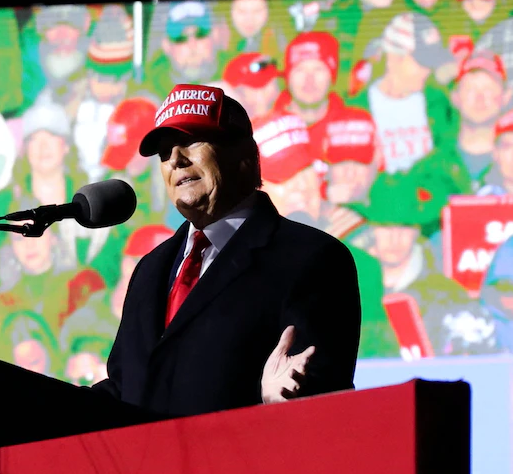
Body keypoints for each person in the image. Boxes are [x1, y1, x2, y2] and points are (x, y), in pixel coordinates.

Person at [91, 83, 361, 417]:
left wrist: (278, 404)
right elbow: (124, 389)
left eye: (192, 141)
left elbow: (320, 392)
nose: (176, 160)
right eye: (164, 152)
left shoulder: (313, 259)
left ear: (245, 155)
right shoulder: (149, 269)